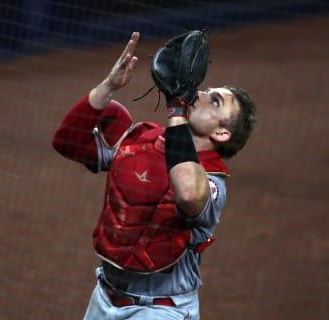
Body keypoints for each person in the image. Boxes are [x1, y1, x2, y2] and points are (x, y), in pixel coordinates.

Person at [52, 31, 256, 320]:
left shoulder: (212, 183)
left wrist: (177, 109)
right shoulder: (140, 140)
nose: (198, 94)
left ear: (222, 133)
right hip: (104, 297)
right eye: (206, 91)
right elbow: (67, 143)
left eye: (215, 102)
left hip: (162, 310)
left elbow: (186, 191)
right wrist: (109, 86)